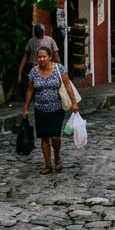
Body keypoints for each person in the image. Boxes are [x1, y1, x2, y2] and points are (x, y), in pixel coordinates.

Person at [21, 46, 79, 175]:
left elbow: (67, 85)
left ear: (50, 57)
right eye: (39, 57)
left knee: (55, 136)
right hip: (40, 108)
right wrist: (25, 108)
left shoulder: (59, 69)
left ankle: (57, 157)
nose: (41, 59)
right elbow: (30, 90)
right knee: (44, 137)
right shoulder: (34, 72)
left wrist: (74, 103)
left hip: (56, 108)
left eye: (44, 56)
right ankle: (48, 165)